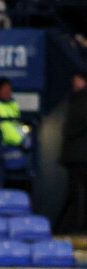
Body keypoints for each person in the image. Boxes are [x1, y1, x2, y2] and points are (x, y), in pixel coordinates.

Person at [57, 71, 87, 234]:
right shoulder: (76, 98)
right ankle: (73, 225)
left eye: (78, 79)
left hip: (79, 156)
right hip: (76, 156)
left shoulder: (82, 99)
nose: (74, 82)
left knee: (78, 192)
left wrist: (69, 131)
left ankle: (77, 226)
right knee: (75, 192)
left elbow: (77, 125)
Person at [0, 77, 30, 150]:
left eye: (9, 89)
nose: (8, 92)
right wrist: (19, 140)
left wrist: (24, 138)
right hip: (3, 145)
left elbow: (17, 124)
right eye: (4, 89)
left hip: (19, 145)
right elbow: (6, 128)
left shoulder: (13, 104)